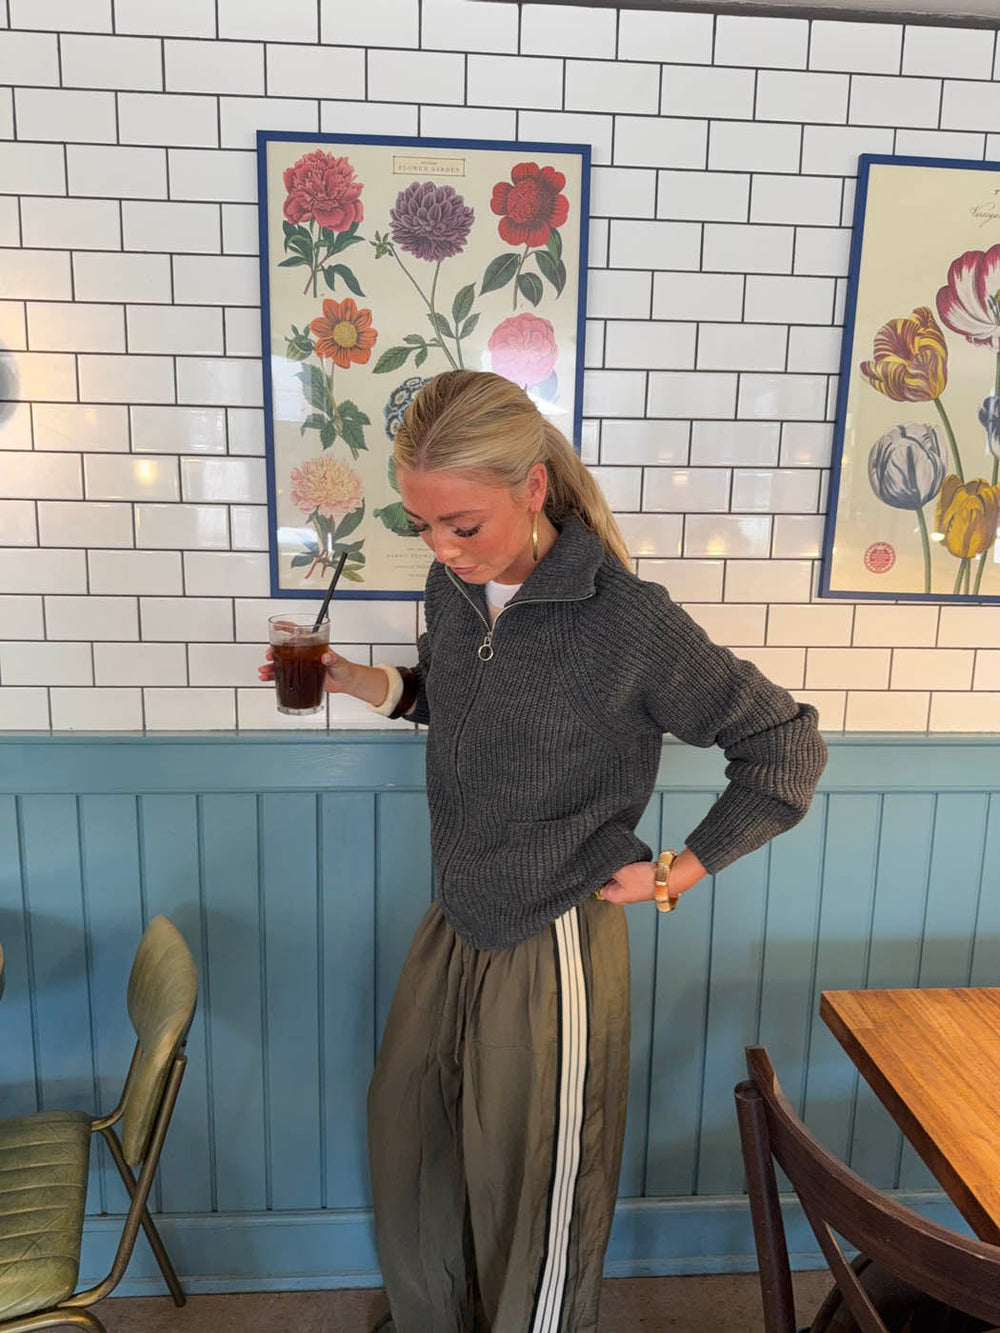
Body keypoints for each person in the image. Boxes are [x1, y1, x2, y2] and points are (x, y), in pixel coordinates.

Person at [259, 369, 828, 1333]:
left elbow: (785, 745)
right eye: (421, 525)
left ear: (532, 488)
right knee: (418, 1143)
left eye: (462, 525)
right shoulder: (452, 589)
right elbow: (456, 699)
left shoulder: (626, 620)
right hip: (458, 916)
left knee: (537, 1184)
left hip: (557, 934)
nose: (442, 549)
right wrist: (360, 680)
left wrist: (677, 871)